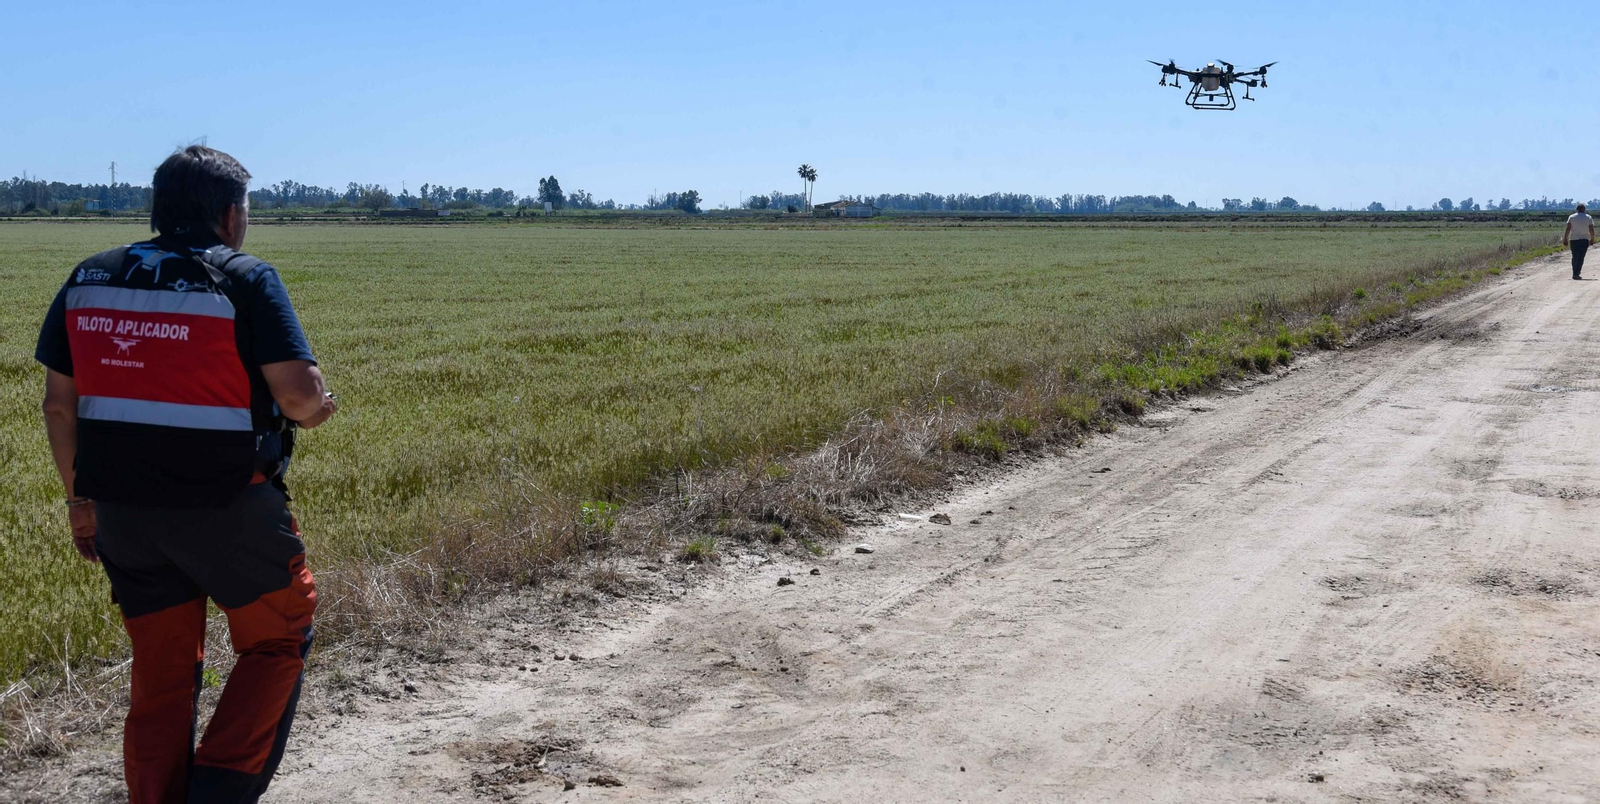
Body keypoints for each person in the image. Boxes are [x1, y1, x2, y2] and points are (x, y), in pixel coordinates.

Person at [35, 146, 336, 804]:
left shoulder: (87, 277)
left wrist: (79, 501)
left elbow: (60, 404)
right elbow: (297, 397)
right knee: (279, 637)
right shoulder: (243, 278)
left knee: (163, 672)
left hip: (121, 515)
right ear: (230, 216)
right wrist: (318, 410)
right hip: (229, 507)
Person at [1563, 202, 1594, 280]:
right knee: (1580, 257)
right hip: (1584, 240)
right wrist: (1592, 238)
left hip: (1573, 240)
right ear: (1584, 209)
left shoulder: (1571, 217)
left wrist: (1565, 238)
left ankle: (1575, 272)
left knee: (1574, 256)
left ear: (1577, 209)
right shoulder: (1588, 217)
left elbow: (1568, 228)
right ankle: (1576, 273)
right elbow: (1591, 229)